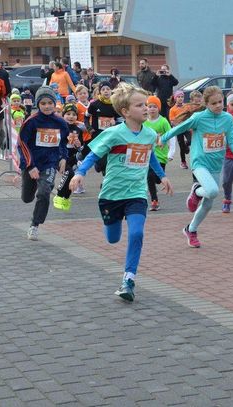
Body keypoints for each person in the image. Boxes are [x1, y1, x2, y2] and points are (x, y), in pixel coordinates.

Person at [69, 83, 173, 302]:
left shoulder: (149, 134)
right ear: (125, 111)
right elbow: (93, 155)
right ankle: (110, 227)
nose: (146, 109)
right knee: (113, 238)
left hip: (136, 193)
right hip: (111, 195)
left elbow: (150, 155)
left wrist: (162, 176)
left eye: (146, 104)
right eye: (139, 105)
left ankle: (128, 280)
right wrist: (80, 173)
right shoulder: (114, 134)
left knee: (136, 233)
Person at [160, 86, 233, 248]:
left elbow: (232, 140)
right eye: (214, 103)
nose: (219, 106)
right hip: (199, 162)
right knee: (212, 191)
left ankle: (191, 230)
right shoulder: (199, 117)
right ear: (206, 104)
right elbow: (179, 128)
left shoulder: (227, 119)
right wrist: (163, 138)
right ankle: (196, 191)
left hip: (216, 164)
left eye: (220, 102)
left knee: (209, 203)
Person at [17, 86, 69, 241]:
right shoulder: (31, 122)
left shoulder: (60, 123)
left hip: (50, 163)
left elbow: (63, 143)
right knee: (27, 198)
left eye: (50, 103)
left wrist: (63, 157)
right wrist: (30, 166)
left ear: (55, 103)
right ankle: (29, 186)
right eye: (43, 103)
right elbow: (22, 144)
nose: (47, 106)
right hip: (32, 163)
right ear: (38, 105)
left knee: (44, 191)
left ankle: (34, 225)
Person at [53, 103, 87, 211]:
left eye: (73, 114)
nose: (71, 116)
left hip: (72, 157)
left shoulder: (78, 130)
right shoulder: (59, 127)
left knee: (72, 177)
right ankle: (58, 195)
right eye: (68, 114)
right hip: (60, 156)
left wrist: (78, 145)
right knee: (69, 173)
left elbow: (80, 148)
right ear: (63, 115)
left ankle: (66, 198)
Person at [83, 81, 121, 174]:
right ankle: (99, 165)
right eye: (103, 89)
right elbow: (86, 117)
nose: (106, 91)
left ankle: (105, 178)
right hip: (97, 135)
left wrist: (115, 123)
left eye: (108, 89)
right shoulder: (94, 105)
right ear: (100, 92)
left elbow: (120, 121)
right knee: (101, 161)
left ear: (111, 91)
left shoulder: (115, 105)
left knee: (107, 160)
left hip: (110, 135)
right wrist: (89, 129)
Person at [143, 95, 174, 211]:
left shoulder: (163, 121)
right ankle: (154, 200)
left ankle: (158, 183)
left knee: (157, 178)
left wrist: (171, 152)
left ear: (159, 108)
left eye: (154, 107)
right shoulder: (144, 122)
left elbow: (172, 136)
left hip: (161, 155)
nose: (152, 109)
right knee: (150, 176)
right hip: (149, 155)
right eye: (149, 106)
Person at [168, 90, 191, 169]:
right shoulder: (172, 110)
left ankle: (186, 145)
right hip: (178, 129)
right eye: (178, 97)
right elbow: (172, 122)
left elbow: (190, 116)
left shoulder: (186, 106)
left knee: (190, 141)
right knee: (181, 147)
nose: (180, 98)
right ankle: (183, 162)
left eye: (182, 97)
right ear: (175, 98)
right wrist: (178, 124)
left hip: (187, 128)